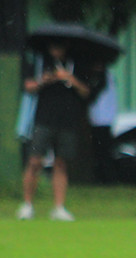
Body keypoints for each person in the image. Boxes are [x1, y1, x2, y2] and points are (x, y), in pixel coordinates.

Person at [17, 40, 99, 221]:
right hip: (43, 120)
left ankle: (59, 207)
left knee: (61, 163)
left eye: (60, 46)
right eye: (53, 46)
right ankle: (27, 205)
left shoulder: (77, 65)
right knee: (35, 161)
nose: (56, 49)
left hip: (68, 121)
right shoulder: (39, 62)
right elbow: (28, 86)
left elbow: (87, 92)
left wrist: (70, 79)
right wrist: (43, 81)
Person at [88, 64, 118, 184]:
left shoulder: (103, 77)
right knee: (102, 152)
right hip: (102, 119)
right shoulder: (107, 77)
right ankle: (105, 178)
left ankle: (106, 179)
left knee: (102, 152)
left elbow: (93, 94)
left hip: (101, 120)